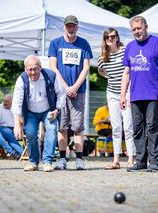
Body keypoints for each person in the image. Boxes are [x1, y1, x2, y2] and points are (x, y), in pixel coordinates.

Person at [120, 16, 158, 172]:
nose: (137, 32)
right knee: (137, 129)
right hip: (135, 95)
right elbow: (126, 73)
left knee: (152, 127)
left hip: (152, 94)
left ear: (146, 27)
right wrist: (123, 95)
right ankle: (141, 161)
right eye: (134, 29)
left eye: (139, 28)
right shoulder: (130, 47)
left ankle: (154, 162)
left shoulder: (157, 42)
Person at [48, 15, 93, 170]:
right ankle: (62, 158)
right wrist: (66, 87)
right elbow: (53, 67)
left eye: (73, 26)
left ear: (77, 27)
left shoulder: (84, 44)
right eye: (68, 26)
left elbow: (86, 68)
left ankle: (79, 159)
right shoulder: (55, 43)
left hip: (78, 91)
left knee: (78, 126)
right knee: (62, 126)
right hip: (60, 91)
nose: (71, 28)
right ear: (64, 27)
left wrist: (74, 87)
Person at [12, 55, 66, 172]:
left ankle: (47, 162)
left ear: (40, 68)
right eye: (30, 69)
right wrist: (17, 123)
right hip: (30, 112)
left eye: (36, 69)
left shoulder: (51, 76)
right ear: (25, 69)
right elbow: (17, 102)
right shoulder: (21, 79)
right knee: (31, 134)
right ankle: (33, 162)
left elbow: (61, 93)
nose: (33, 72)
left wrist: (57, 109)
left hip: (49, 110)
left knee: (51, 131)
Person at [97, 28, 135, 169]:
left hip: (126, 92)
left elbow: (131, 70)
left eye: (113, 36)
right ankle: (116, 160)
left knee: (128, 126)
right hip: (112, 93)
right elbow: (100, 70)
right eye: (107, 37)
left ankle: (131, 158)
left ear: (117, 37)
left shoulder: (125, 50)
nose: (110, 39)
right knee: (116, 127)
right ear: (104, 39)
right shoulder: (102, 56)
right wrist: (108, 77)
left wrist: (126, 92)